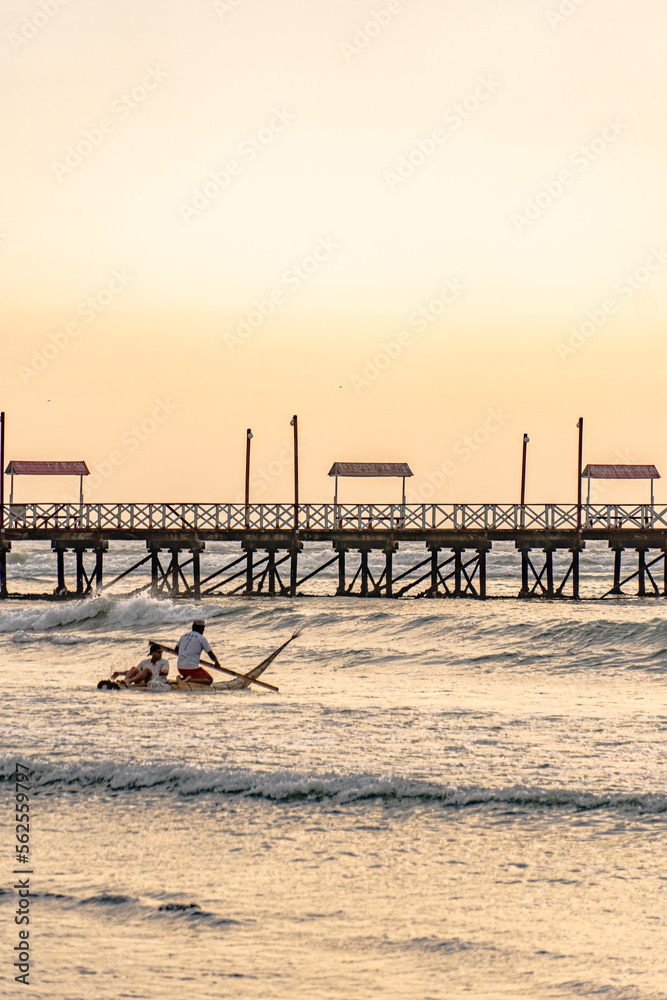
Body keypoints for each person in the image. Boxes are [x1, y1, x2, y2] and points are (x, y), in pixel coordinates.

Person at [175, 619, 220, 685]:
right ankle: (190, 680)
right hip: (192, 669)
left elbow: (176, 649)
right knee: (209, 680)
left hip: (180, 668)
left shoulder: (183, 636)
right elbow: (210, 653)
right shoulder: (201, 638)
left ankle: (181, 679)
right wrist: (216, 662)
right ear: (201, 629)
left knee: (189, 674)